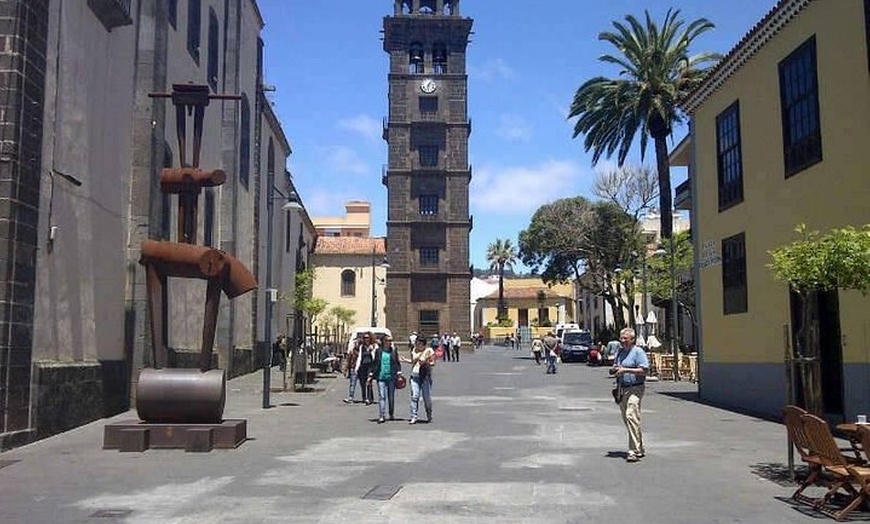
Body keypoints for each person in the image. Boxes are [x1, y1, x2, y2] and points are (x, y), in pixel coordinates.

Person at [611, 327, 650, 462]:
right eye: (621, 339)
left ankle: (633, 451)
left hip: (636, 388)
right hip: (623, 389)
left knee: (631, 415)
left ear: (632, 340)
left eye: (625, 339)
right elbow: (616, 366)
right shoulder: (620, 352)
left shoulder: (638, 352)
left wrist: (626, 370)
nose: (622, 341)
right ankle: (640, 447)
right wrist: (615, 369)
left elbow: (644, 370)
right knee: (628, 419)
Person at [401, 335, 435, 424]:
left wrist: (425, 362)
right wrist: (405, 360)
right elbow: (413, 361)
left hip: (425, 377)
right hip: (414, 376)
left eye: (419, 343)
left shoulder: (429, 351)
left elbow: (433, 363)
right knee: (414, 397)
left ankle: (429, 414)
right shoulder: (414, 350)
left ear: (423, 344)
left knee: (426, 398)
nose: (417, 345)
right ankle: (413, 416)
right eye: (416, 343)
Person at [368, 335, 402, 423]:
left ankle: (391, 413)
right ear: (383, 341)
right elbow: (375, 363)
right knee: (381, 396)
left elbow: (397, 363)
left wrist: (399, 372)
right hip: (381, 377)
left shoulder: (393, 351)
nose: (389, 342)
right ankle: (382, 415)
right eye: (387, 340)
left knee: (391, 396)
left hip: (391, 377)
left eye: (390, 340)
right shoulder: (379, 351)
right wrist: (371, 374)